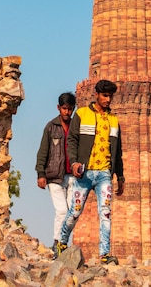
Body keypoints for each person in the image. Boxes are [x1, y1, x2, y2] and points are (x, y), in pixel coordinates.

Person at [56, 79, 124, 265]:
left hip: (104, 173)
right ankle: (61, 242)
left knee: (106, 213)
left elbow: (118, 152)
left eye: (110, 96)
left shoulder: (113, 120)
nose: (108, 99)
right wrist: (75, 162)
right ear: (96, 94)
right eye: (105, 95)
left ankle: (104, 254)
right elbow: (72, 141)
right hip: (85, 173)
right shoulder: (82, 114)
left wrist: (120, 176)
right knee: (75, 211)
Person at [35, 92, 76, 258]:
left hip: (72, 176)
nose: (67, 112)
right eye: (64, 109)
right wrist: (41, 173)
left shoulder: (76, 127)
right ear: (59, 108)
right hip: (54, 176)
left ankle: (63, 242)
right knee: (61, 211)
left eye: (70, 109)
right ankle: (57, 242)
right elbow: (43, 151)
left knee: (72, 213)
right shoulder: (51, 127)